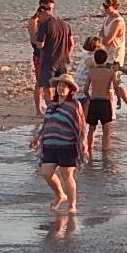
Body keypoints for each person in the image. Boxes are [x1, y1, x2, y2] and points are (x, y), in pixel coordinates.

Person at [30, 72, 86, 213]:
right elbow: (46, 124)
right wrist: (37, 137)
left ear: (70, 90)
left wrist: (83, 144)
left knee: (67, 175)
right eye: (59, 85)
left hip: (67, 145)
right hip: (49, 145)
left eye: (64, 86)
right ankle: (60, 195)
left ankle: (72, 205)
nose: (61, 88)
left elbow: (81, 126)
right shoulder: (51, 105)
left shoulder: (74, 105)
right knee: (46, 172)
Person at [99, 0, 127, 120]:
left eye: (107, 6)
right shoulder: (108, 18)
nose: (104, 8)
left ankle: (121, 111)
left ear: (114, 6)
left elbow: (108, 40)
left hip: (115, 56)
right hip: (107, 54)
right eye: (103, 6)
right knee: (112, 84)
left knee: (114, 83)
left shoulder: (118, 21)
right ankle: (117, 111)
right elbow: (101, 34)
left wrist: (100, 41)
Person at [82, 48, 119, 155]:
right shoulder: (110, 72)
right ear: (106, 59)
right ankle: (105, 151)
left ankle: (89, 149)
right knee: (106, 130)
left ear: (95, 59)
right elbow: (116, 88)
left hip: (94, 101)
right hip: (105, 102)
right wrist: (119, 100)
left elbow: (85, 89)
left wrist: (89, 97)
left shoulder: (91, 72)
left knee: (92, 128)